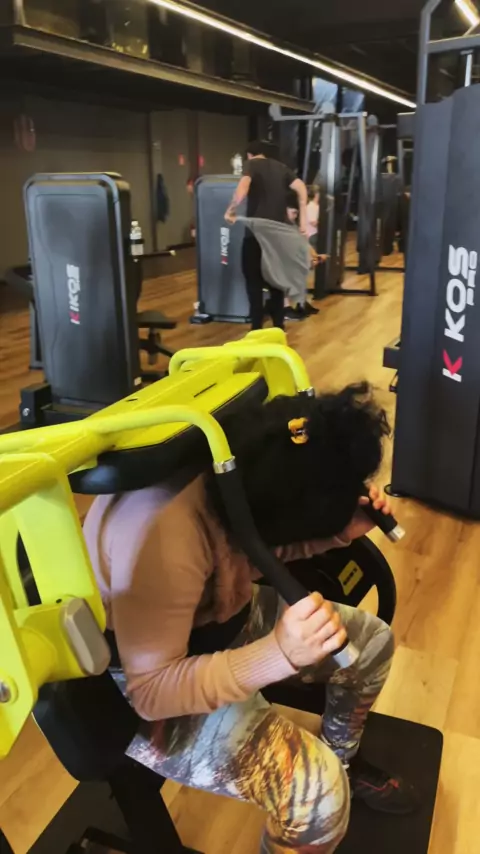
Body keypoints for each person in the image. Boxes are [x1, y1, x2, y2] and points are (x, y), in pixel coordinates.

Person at [84, 383, 417, 854]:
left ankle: (341, 762)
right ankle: (327, 791)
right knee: (318, 798)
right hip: (142, 681)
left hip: (212, 616)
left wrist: (339, 531)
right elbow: (151, 693)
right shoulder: (165, 533)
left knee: (372, 644)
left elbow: (256, 550)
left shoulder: (244, 472)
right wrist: (278, 653)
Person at [225, 140, 308, 331]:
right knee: (276, 280)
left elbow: (242, 189)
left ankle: (256, 326)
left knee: (253, 279)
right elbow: (301, 187)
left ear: (249, 155)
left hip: (256, 234)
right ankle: (278, 326)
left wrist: (231, 209)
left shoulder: (252, 164)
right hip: (277, 236)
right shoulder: (282, 168)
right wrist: (303, 218)